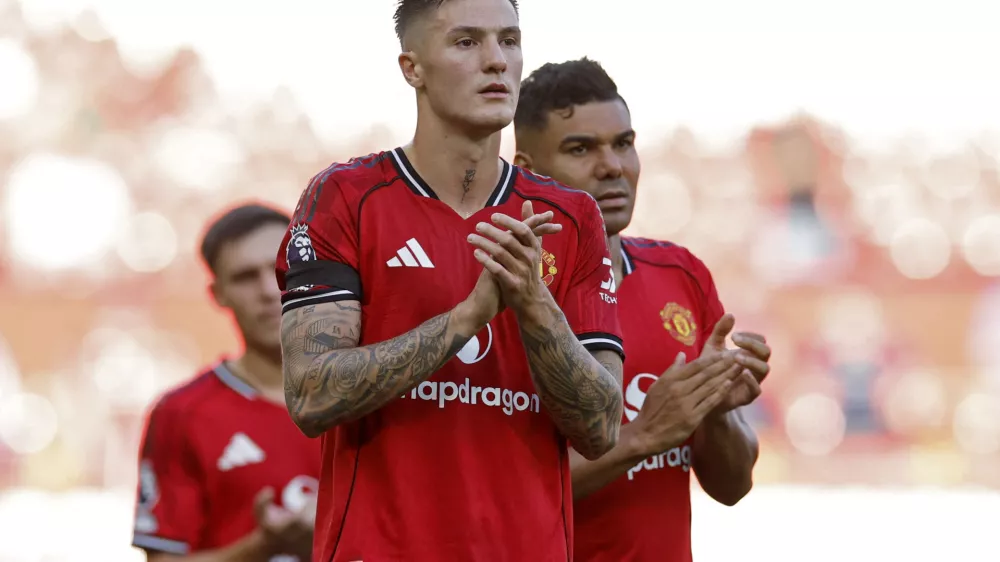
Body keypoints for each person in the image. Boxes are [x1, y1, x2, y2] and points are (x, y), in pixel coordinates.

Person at [274, 1, 636, 560]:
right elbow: (309, 394)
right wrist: (467, 317)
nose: (496, 61)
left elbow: (600, 428)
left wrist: (535, 305)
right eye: (467, 42)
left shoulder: (572, 217)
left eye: (509, 41)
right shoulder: (345, 197)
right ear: (411, 67)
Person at [513, 58, 773, 562]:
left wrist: (716, 410)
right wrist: (644, 435)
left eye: (624, 144)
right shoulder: (505, 294)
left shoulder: (681, 274)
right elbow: (499, 499)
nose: (613, 166)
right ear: (527, 170)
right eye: (581, 148)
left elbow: (733, 485)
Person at [132, 204, 319, 562]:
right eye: (246, 277)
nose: (268, 289)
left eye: (281, 268)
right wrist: (263, 547)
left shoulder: (380, 392)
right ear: (218, 294)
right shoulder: (182, 415)